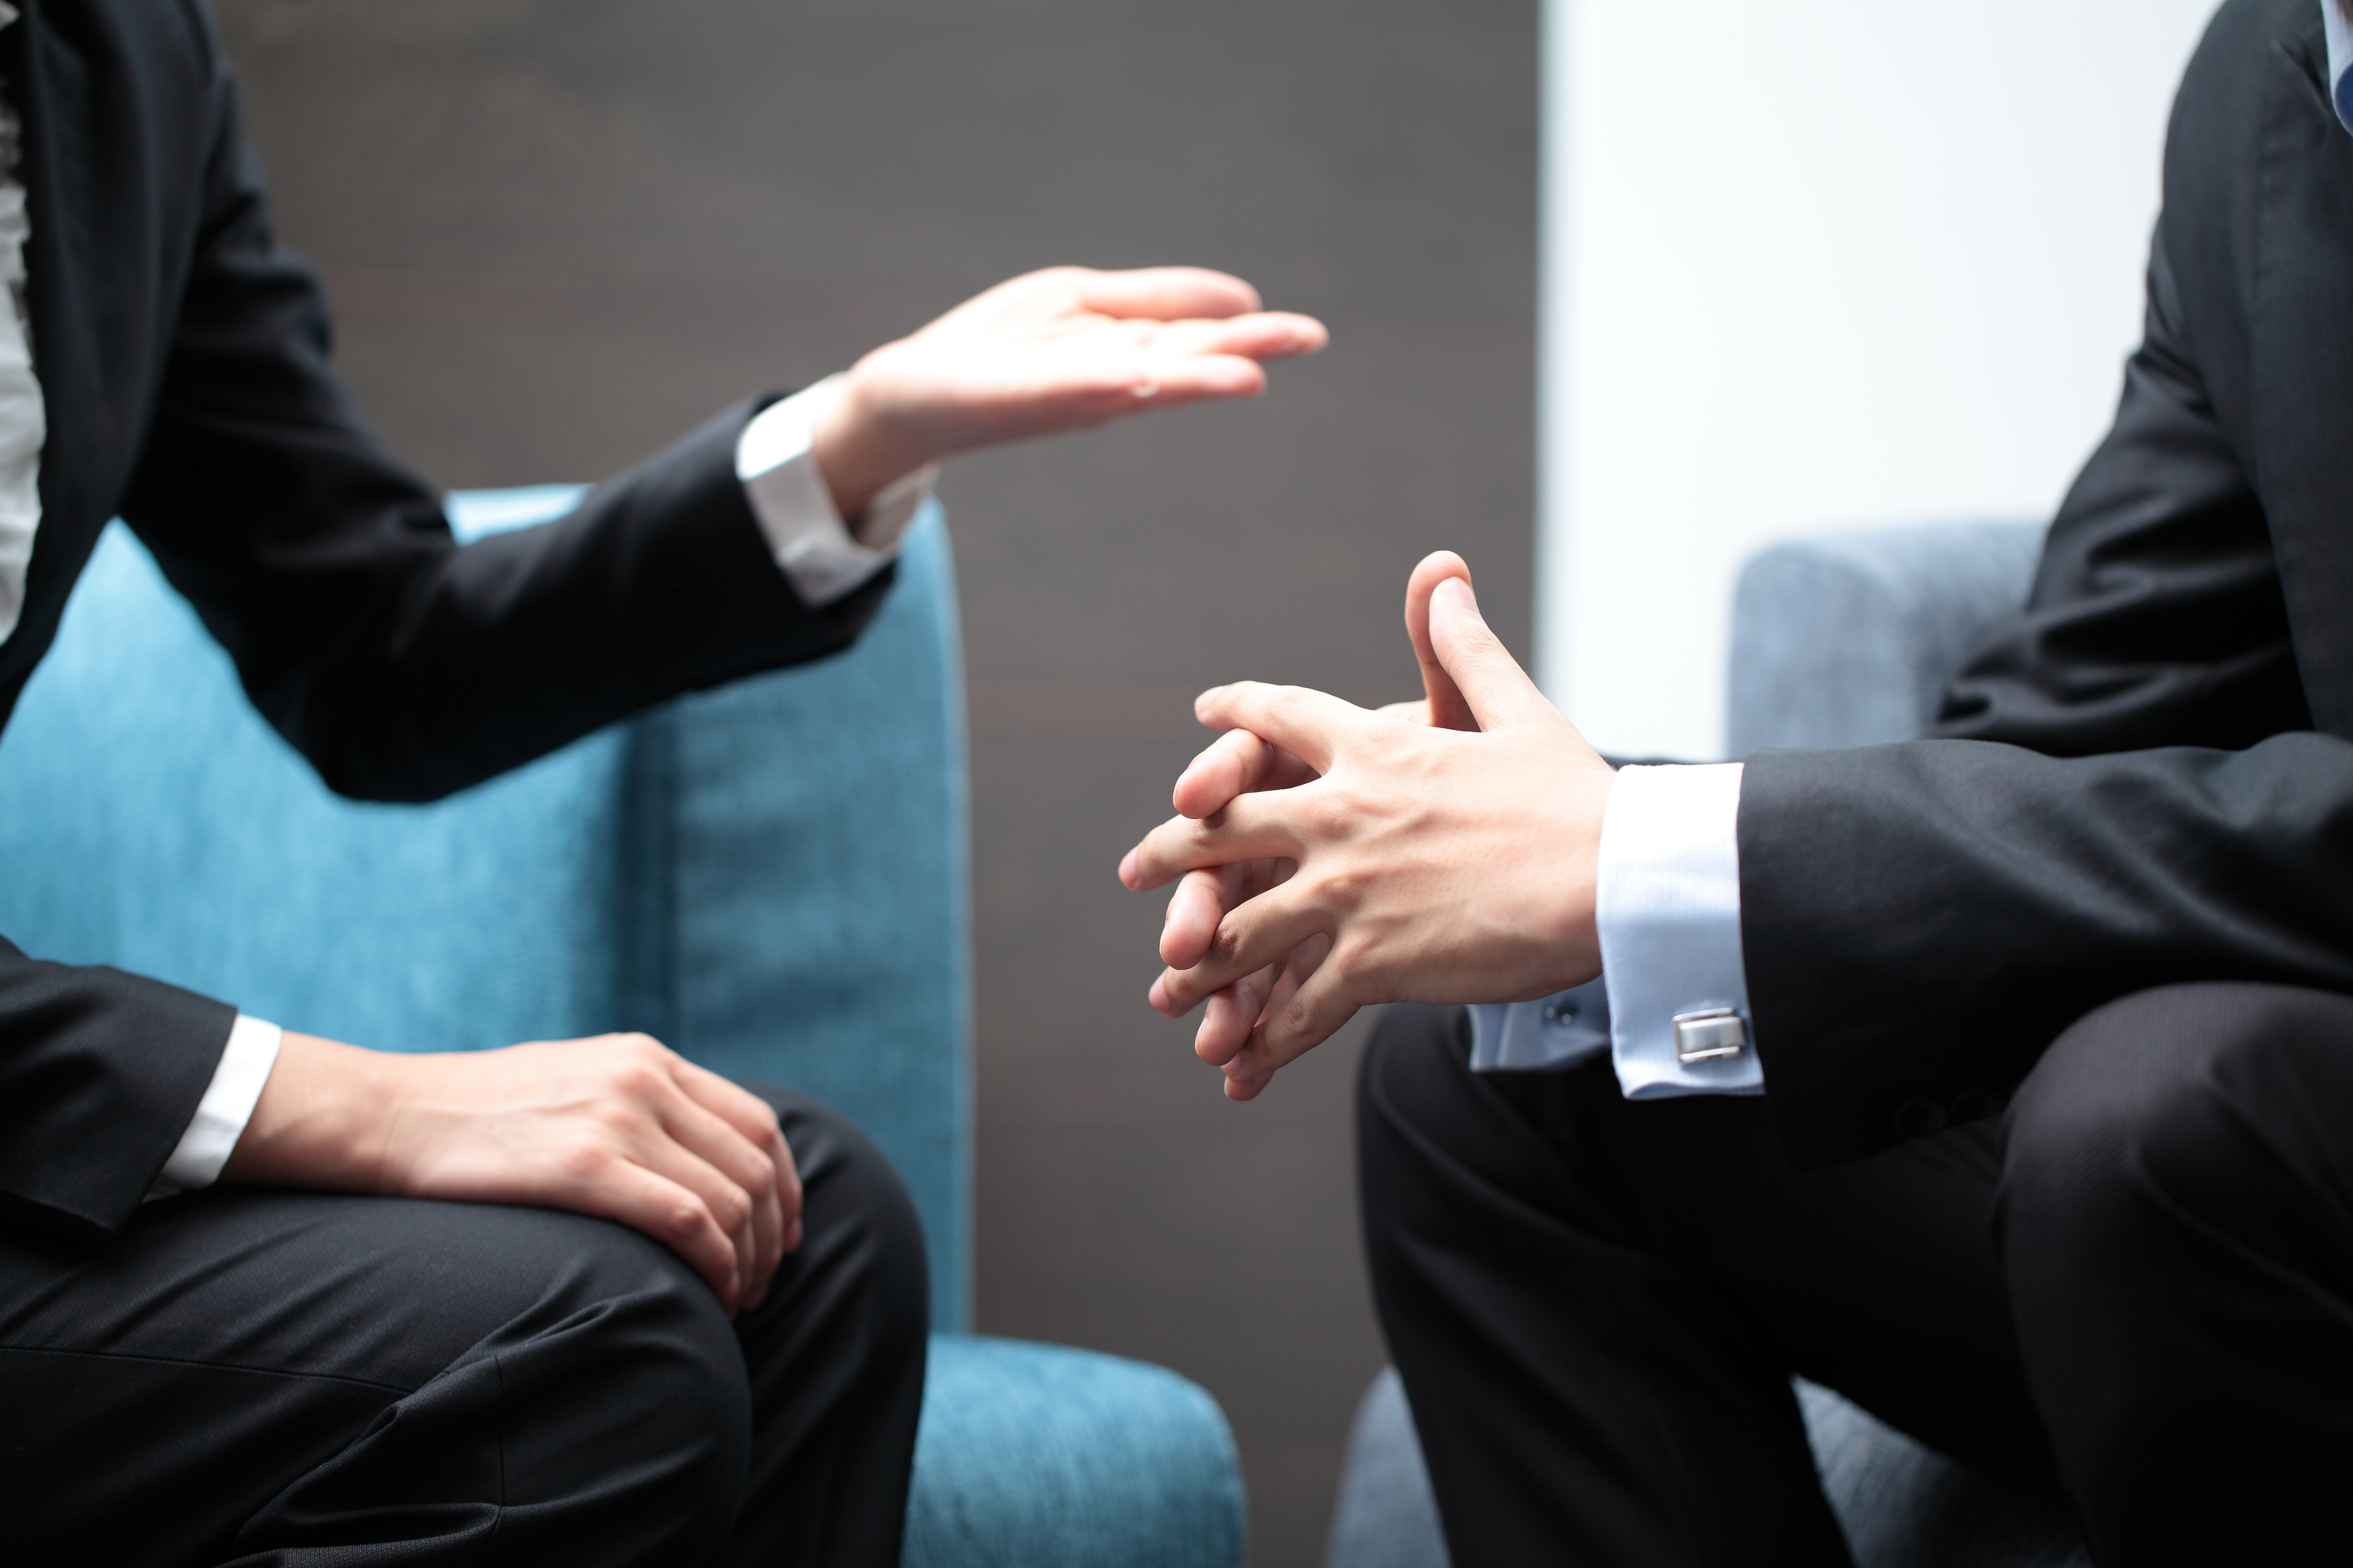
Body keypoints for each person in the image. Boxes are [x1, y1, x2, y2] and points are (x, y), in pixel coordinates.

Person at [0, 2, 1325, 1563]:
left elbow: (374, 650)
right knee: (595, 1355)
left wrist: (851, 437)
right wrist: (361, 1103)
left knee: (797, 1232)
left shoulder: (117, 56)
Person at [1121, 0, 2353, 1561]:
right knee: (1505, 1071)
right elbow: (2083, 718)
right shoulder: (2271, 69)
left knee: (2157, 1115)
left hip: (2221, 1150)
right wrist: (1528, 835)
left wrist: (1642, 853)